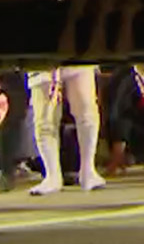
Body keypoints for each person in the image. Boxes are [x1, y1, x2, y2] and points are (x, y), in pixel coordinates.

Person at [25, 66, 104, 195]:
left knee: (87, 111)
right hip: (43, 62)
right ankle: (52, 176)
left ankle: (88, 171)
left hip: (77, 56)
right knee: (45, 120)